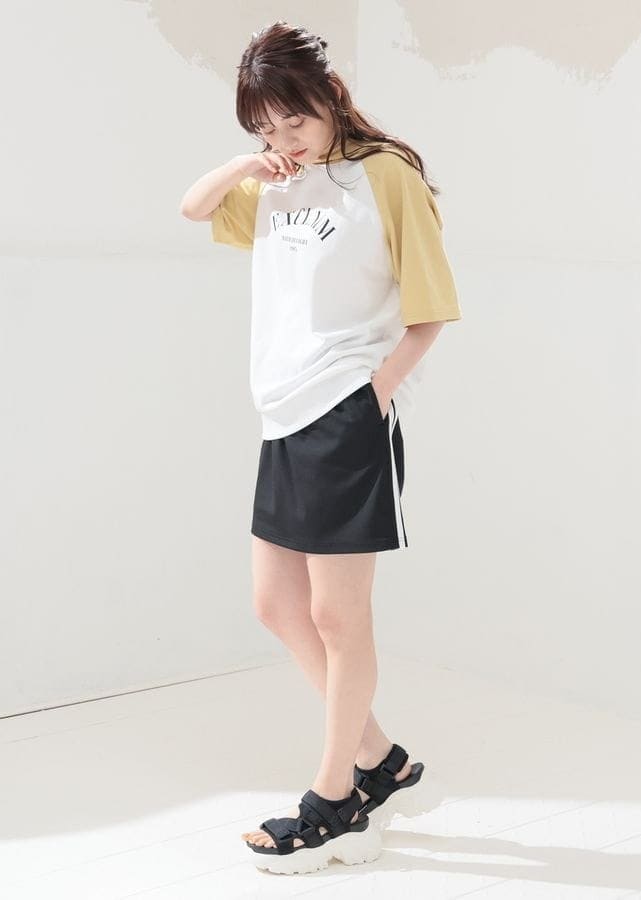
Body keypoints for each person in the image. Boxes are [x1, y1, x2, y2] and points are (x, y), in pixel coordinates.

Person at [180, 20, 462, 875]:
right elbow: (193, 207)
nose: (285, 138)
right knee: (276, 604)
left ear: (331, 95)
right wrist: (249, 164)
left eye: (294, 120)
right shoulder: (279, 183)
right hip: (280, 414)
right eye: (266, 127)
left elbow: (431, 308)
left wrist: (372, 394)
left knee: (340, 618)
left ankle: (335, 799)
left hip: (342, 413)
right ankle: (381, 761)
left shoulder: (387, 177)